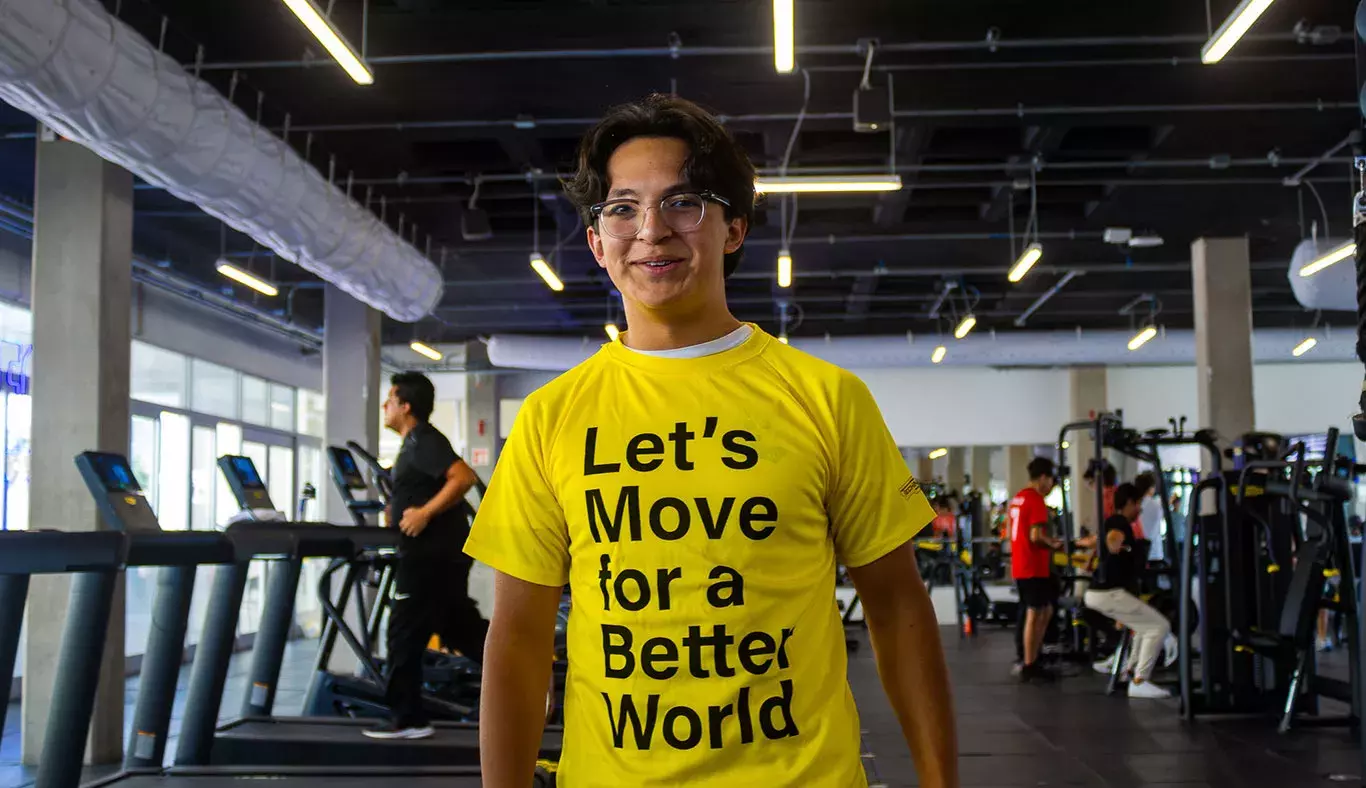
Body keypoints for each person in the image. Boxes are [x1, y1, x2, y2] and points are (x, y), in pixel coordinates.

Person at [463, 94, 958, 788]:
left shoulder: (826, 399)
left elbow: (898, 604)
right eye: (623, 208)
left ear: (733, 228)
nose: (652, 231)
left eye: (684, 202)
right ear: (598, 243)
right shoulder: (552, 418)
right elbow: (515, 639)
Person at [364, 371, 489, 739]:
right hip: (442, 554)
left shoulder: (422, 439)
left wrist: (423, 513)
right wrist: (401, 506)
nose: (385, 407)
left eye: (390, 400)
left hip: (428, 557)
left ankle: (407, 719)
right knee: (459, 627)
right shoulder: (416, 443)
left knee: (403, 631)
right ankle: (527, 675)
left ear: (406, 406)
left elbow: (462, 477)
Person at [1083, 483, 1172, 699]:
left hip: (1101, 593)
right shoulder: (1119, 522)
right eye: (1138, 504)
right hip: (1109, 594)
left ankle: (1128, 671)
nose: (1140, 509)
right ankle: (1140, 680)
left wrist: (1094, 555)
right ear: (1130, 502)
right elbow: (1113, 538)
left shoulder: (1115, 522)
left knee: (1142, 627)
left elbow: (1098, 547)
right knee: (1160, 626)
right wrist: (1115, 544)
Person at [1008, 457, 1062, 682]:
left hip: (1022, 564)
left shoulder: (1018, 499)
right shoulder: (1036, 500)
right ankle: (1030, 664)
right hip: (1032, 565)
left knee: (1044, 610)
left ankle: (1033, 656)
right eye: (1050, 481)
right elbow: (1036, 536)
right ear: (1043, 478)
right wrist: (1054, 544)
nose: (1051, 487)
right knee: (1034, 612)